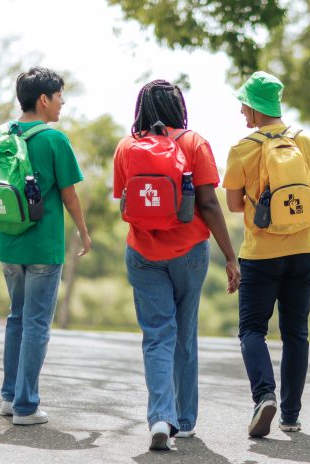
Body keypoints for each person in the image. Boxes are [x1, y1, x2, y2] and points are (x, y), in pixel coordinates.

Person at [0, 67, 91, 425]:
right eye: (60, 97)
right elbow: (69, 195)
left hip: (9, 246)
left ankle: (8, 395)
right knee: (36, 324)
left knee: (16, 318)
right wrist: (83, 232)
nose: (62, 104)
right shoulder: (54, 140)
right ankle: (26, 406)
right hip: (44, 248)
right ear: (44, 99)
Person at [112, 79, 241, 451]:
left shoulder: (127, 146)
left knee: (156, 336)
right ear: (178, 107)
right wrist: (230, 256)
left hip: (142, 253)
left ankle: (159, 417)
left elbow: (124, 202)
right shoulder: (194, 143)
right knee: (185, 333)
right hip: (188, 253)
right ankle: (183, 422)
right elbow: (210, 204)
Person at [223, 71, 310, 437]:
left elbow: (235, 205)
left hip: (260, 253)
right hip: (303, 250)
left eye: (244, 105)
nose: (241, 112)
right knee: (296, 332)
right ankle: (290, 416)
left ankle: (264, 394)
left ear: (254, 108)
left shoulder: (241, 149)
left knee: (252, 329)